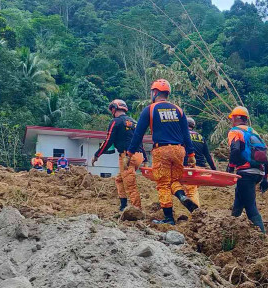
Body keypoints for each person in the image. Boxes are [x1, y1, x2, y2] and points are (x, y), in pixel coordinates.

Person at [126, 79, 197, 225]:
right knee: (174, 180)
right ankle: (182, 196)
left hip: (161, 150)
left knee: (163, 184)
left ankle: (169, 219)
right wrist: (191, 155)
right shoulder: (178, 110)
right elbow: (186, 134)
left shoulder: (150, 109)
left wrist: (130, 153)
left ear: (155, 92)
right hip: (179, 150)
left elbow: (138, 134)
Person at [92, 99, 146, 210]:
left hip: (127, 156)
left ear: (114, 109)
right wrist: (144, 157)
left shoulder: (116, 122)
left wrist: (97, 155)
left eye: (112, 109)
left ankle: (137, 210)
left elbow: (108, 141)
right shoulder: (134, 122)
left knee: (130, 184)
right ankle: (123, 205)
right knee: (119, 179)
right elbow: (139, 140)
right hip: (139, 155)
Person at [226, 106, 268, 233]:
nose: (231, 120)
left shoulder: (235, 131)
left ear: (237, 118)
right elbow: (264, 154)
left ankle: (262, 236)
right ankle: (230, 230)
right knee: (239, 202)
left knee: (250, 207)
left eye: (232, 118)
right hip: (258, 172)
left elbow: (235, 150)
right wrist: (265, 177)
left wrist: (230, 168)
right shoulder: (254, 132)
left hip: (245, 173)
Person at [183, 117, 216, 207]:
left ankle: (196, 213)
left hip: (189, 167)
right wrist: (214, 169)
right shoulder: (201, 137)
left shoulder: (182, 135)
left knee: (190, 192)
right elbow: (208, 155)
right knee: (191, 189)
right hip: (200, 168)